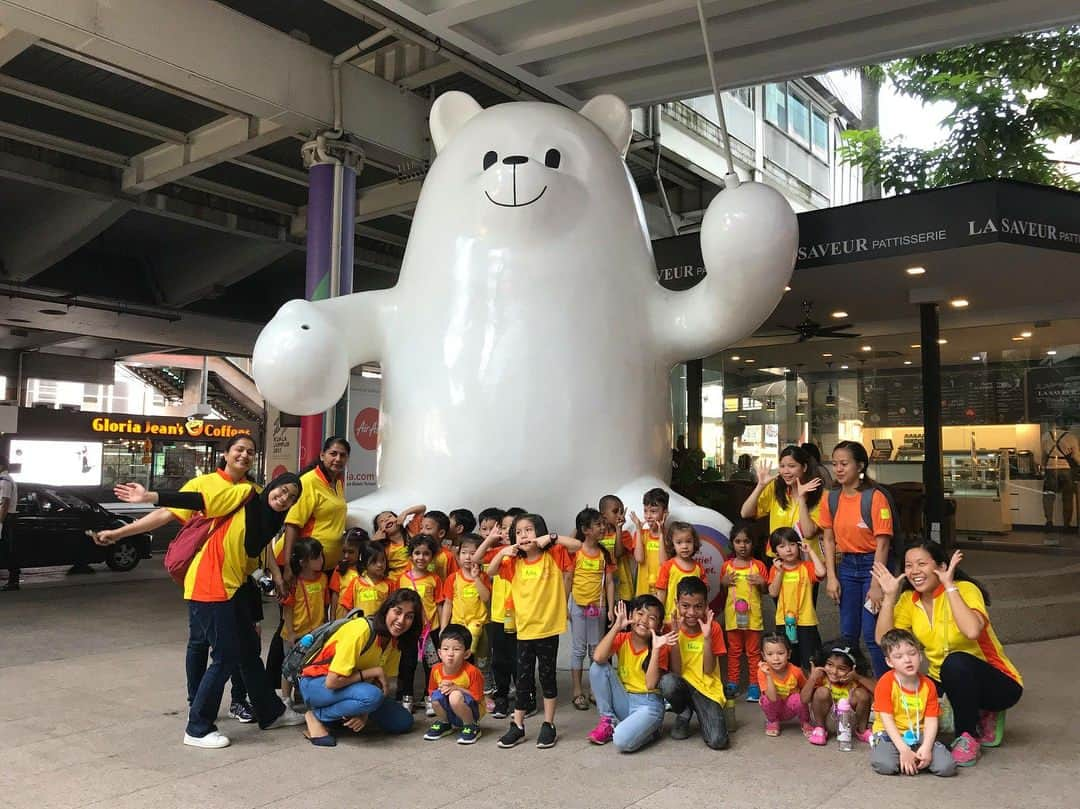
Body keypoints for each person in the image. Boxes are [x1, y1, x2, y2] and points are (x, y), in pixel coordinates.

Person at [98, 473, 307, 748]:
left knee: (247, 650)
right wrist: (150, 497)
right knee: (226, 656)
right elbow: (196, 499)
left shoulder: (268, 519)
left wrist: (267, 577)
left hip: (234, 587)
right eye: (283, 491)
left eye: (292, 497)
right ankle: (197, 727)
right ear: (273, 486)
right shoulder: (244, 494)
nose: (284, 498)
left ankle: (271, 712)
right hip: (210, 584)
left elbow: (245, 555)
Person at [93, 435, 268, 728]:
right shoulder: (204, 484)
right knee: (201, 643)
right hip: (205, 577)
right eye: (239, 449)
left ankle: (239, 700)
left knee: (243, 640)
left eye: (250, 452)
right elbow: (166, 513)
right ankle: (196, 704)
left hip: (241, 578)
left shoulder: (256, 491)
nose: (244, 455)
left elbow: (262, 538)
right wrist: (121, 533)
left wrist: (271, 572)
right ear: (225, 454)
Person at [872, 543, 1023, 767]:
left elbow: (972, 630)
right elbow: (884, 642)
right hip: (944, 680)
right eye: (909, 565)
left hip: (998, 683)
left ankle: (967, 736)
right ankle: (910, 734)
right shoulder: (909, 600)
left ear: (941, 566)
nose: (914, 571)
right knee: (900, 679)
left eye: (922, 564)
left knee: (955, 663)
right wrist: (890, 597)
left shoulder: (965, 589)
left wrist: (949, 586)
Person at [488, 513, 581, 749]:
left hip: (548, 628)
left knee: (547, 677)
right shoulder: (514, 562)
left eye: (529, 530)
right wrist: (502, 551)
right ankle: (517, 725)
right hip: (524, 630)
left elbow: (577, 545)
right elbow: (489, 571)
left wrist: (549, 538)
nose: (523, 535)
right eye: (518, 532)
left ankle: (548, 724)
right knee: (523, 679)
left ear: (538, 531)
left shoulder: (554, 554)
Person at [297, 588, 422, 747]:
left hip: (353, 687)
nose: (401, 620)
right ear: (386, 610)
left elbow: (382, 683)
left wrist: (364, 714)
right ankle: (317, 715)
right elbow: (332, 682)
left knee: (403, 722)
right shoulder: (361, 630)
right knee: (371, 696)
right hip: (316, 683)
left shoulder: (395, 641)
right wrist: (370, 673)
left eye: (409, 617)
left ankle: (345, 714)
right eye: (397, 612)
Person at [820, 440, 892, 676]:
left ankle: (883, 690)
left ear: (860, 466)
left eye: (844, 464)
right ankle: (851, 685)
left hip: (874, 566)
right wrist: (831, 577)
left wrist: (876, 585)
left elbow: (883, 544)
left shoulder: (875, 497)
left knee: (873, 636)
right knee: (848, 633)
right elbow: (828, 541)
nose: (838, 469)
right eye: (835, 464)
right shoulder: (830, 498)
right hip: (847, 567)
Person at [588, 596, 674, 751]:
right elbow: (598, 657)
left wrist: (655, 649)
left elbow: (650, 684)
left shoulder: (660, 647)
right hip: (625, 699)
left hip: (648, 705)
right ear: (630, 616)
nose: (644, 620)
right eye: (640, 613)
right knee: (597, 667)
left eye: (652, 617)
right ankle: (608, 720)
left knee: (621, 740)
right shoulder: (622, 638)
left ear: (659, 626)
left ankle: (652, 731)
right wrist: (616, 627)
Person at [870, 629, 956, 777]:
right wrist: (904, 750)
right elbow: (887, 720)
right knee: (886, 765)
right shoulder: (886, 683)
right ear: (889, 662)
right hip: (889, 733)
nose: (907, 660)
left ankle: (916, 756)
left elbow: (931, 720)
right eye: (899, 656)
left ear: (920, 655)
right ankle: (902, 754)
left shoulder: (928, 685)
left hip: (919, 733)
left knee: (946, 767)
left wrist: (927, 747)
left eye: (912, 653)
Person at [659, 577, 731, 750]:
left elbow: (708, 669)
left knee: (718, 741)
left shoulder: (713, 628)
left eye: (698, 606)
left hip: (707, 689)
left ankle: (705, 712)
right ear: (677, 603)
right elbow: (676, 671)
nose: (691, 612)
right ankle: (684, 712)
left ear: (706, 605)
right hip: (682, 685)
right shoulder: (670, 627)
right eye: (685, 606)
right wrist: (675, 637)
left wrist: (707, 639)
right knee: (667, 682)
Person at [276, 437, 349, 589]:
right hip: (302, 564)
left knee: (317, 612)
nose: (338, 459)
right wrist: (289, 566)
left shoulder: (338, 483)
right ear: (322, 455)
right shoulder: (308, 482)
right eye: (333, 454)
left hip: (323, 566)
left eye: (343, 455)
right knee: (299, 612)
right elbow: (292, 524)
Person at [475, 507, 525, 718]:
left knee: (519, 659)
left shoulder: (525, 552)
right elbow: (477, 558)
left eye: (511, 528)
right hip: (498, 615)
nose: (506, 531)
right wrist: (491, 540)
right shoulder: (498, 552)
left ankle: (525, 699)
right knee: (500, 660)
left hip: (521, 615)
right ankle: (502, 696)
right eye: (503, 527)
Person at [740, 445, 824, 562]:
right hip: (778, 560)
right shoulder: (775, 487)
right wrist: (760, 486)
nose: (786, 471)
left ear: (804, 467)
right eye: (782, 466)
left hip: (807, 562)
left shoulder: (820, 494)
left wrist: (802, 499)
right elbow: (745, 513)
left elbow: (808, 533)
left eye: (792, 466)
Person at [568, 507, 616, 710]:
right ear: (585, 530)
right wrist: (564, 606)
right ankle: (577, 691)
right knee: (578, 649)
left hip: (599, 608)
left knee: (596, 650)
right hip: (578, 607)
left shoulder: (605, 553)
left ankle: (595, 690)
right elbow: (568, 578)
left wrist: (611, 609)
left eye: (602, 524)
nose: (603, 527)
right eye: (598, 525)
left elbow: (610, 583)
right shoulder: (575, 552)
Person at [395, 534, 445, 715]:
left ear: (431, 557)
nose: (421, 558)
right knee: (407, 664)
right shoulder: (402, 579)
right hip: (409, 630)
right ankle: (406, 697)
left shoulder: (435, 579)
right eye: (417, 553)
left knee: (431, 666)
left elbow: (439, 604)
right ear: (411, 555)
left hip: (430, 630)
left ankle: (430, 697)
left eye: (426, 554)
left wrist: (442, 629)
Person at [719, 521, 768, 699]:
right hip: (733, 618)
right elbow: (723, 589)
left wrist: (762, 583)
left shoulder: (759, 566)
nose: (742, 545)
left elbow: (765, 591)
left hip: (753, 619)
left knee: (754, 653)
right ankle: (733, 683)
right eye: (738, 541)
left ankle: (754, 685)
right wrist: (723, 582)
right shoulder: (727, 566)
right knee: (733, 652)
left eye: (746, 541)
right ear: (732, 543)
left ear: (753, 543)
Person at [766, 527, 825, 669]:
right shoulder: (775, 570)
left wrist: (810, 551)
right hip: (784, 621)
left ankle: (812, 687)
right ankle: (793, 688)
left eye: (792, 544)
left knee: (811, 658)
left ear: (798, 546)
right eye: (782, 546)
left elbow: (822, 572)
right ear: (776, 552)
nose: (788, 549)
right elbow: (773, 593)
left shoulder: (806, 567)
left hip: (806, 621)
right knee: (789, 658)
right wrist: (780, 572)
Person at [279, 538, 328, 707]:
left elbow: (325, 603)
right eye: (316, 557)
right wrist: (291, 632)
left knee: (309, 666)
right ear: (303, 562)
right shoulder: (294, 583)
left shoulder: (323, 579)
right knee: (289, 667)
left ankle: (302, 694)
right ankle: (286, 698)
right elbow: (288, 609)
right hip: (296, 633)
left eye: (321, 556)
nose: (321, 560)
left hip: (316, 632)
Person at [802, 641, 875, 747]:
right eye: (830, 665)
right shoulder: (821, 678)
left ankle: (862, 731)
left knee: (862, 694)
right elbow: (804, 700)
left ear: (852, 669)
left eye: (842, 668)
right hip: (827, 720)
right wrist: (812, 678)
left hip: (850, 721)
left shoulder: (855, 680)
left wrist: (858, 677)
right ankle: (820, 729)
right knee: (821, 691)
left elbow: (878, 692)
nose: (834, 671)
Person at [423, 623, 486, 745]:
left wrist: (457, 688)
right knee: (436, 696)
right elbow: (431, 691)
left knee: (455, 695)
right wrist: (442, 689)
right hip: (450, 709)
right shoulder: (436, 670)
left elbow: (478, 697)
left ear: (466, 654)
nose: (450, 654)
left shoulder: (472, 672)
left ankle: (471, 726)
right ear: (440, 653)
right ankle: (445, 723)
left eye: (456, 649)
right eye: (446, 649)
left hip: (471, 710)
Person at [439, 534, 491, 661]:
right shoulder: (453, 578)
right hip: (458, 625)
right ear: (458, 555)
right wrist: (443, 627)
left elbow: (486, 598)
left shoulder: (483, 576)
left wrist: (476, 578)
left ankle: (485, 679)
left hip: (480, 626)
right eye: (464, 552)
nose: (468, 557)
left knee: (483, 659)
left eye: (473, 553)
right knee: (461, 657)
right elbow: (448, 603)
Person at [757, 633, 811, 737]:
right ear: (763, 656)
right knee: (765, 699)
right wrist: (768, 675)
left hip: (791, 708)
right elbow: (772, 698)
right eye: (770, 654)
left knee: (799, 697)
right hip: (774, 708)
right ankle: (773, 721)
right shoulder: (762, 671)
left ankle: (805, 722)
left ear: (789, 654)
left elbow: (806, 694)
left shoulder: (796, 671)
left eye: (781, 653)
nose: (776, 658)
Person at [654, 521, 706, 621]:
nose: (684, 546)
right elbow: (661, 594)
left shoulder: (699, 568)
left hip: (693, 619)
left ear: (694, 542)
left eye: (688, 541)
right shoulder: (667, 566)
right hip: (671, 619)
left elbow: (703, 595)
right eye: (679, 542)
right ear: (672, 545)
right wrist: (659, 617)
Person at [339, 540, 395, 617]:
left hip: (380, 626)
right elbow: (346, 607)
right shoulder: (356, 583)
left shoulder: (390, 584)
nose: (380, 565)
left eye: (382, 560)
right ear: (364, 563)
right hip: (359, 626)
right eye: (374, 561)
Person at [631, 488, 669, 597]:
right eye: (645, 511)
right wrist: (638, 530)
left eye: (653, 511)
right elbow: (639, 559)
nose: (648, 516)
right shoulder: (641, 534)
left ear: (665, 512)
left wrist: (661, 534)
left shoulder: (670, 537)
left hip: (661, 592)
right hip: (642, 592)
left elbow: (664, 562)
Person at [1041, 425, 1079, 530]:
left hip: (1050, 469)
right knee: (1067, 497)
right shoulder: (1071, 437)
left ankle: (1049, 522)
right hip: (1066, 469)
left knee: (1048, 496)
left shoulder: (1045, 436)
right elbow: (1076, 457)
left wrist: (1043, 468)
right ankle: (1067, 524)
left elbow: (1043, 455)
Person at [372, 503, 427, 578]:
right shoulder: (383, 547)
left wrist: (405, 513)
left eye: (390, 516)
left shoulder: (411, 530)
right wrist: (373, 541)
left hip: (419, 576)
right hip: (397, 581)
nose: (386, 519)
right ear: (379, 530)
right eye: (382, 521)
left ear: (398, 519)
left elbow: (422, 508)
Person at [599, 494, 635, 602]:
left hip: (623, 591)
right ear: (603, 515)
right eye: (615, 512)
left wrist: (618, 529)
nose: (620, 515)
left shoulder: (624, 535)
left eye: (622, 511)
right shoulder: (597, 537)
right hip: (603, 591)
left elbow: (618, 554)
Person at [329, 529, 366, 619]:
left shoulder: (367, 569)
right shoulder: (340, 568)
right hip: (341, 616)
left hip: (360, 615)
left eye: (351, 552)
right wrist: (332, 618)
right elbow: (335, 595)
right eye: (344, 552)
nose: (346, 556)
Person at [420, 510, 461, 579]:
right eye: (421, 528)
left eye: (428, 528)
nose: (422, 531)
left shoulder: (448, 556)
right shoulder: (415, 553)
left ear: (441, 533)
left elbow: (454, 580)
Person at [0, 453, 18, 592]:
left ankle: (13, 581)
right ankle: (13, 580)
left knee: (8, 550)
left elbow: (4, 503)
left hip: (6, 518)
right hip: (7, 518)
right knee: (8, 550)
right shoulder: (7, 479)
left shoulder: (4, 481)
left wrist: (0, 521)